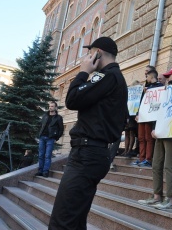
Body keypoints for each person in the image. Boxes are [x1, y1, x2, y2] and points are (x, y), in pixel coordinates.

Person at [49, 36, 127, 230]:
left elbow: (73, 99)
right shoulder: (113, 78)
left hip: (88, 154)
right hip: (92, 153)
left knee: (63, 220)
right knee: (74, 220)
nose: (87, 57)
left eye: (90, 52)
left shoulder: (107, 76)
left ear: (98, 53)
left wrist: (83, 72)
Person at [138, 66, 172, 210]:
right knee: (156, 164)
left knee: (169, 165)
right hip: (160, 130)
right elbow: (158, 109)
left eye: (170, 75)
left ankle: (170, 199)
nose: (166, 78)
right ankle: (156, 196)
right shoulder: (165, 90)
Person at [134, 69, 163, 167]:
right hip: (142, 115)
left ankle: (148, 159)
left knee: (148, 138)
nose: (146, 78)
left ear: (151, 77)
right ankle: (141, 158)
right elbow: (142, 101)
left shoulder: (160, 87)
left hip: (150, 116)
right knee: (141, 138)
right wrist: (137, 113)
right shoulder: (146, 88)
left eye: (147, 76)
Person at [36, 101, 63, 178]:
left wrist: (56, 138)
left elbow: (61, 129)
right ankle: (40, 171)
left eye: (52, 106)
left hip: (50, 138)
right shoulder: (45, 116)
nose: (50, 107)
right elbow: (41, 125)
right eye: (50, 106)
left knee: (47, 155)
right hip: (42, 138)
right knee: (41, 155)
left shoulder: (58, 118)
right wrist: (40, 134)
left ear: (55, 107)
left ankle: (45, 171)